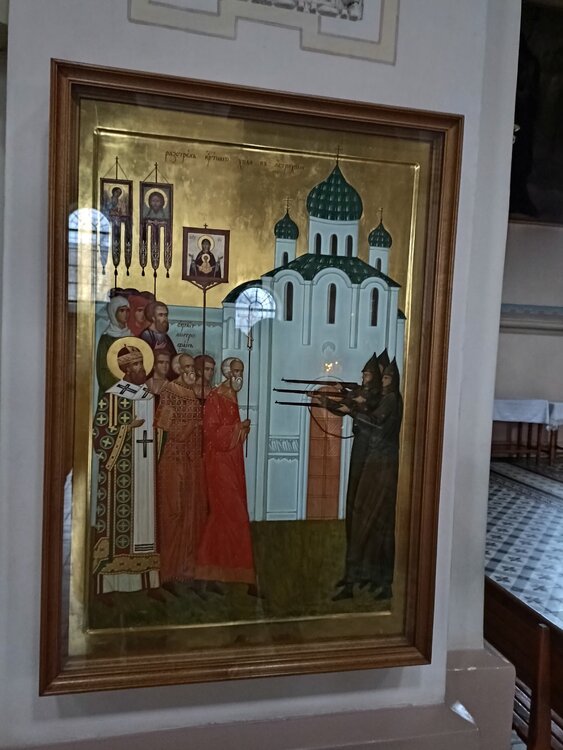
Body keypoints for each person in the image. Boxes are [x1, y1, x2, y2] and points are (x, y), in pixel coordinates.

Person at [328, 355, 402, 601]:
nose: (381, 380)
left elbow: (376, 423)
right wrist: (339, 400)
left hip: (382, 466)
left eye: (385, 377)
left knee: (377, 524)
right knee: (363, 520)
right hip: (373, 463)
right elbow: (363, 409)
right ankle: (363, 576)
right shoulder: (382, 397)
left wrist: (353, 408)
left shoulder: (391, 399)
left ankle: (376, 580)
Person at [91, 341, 160, 598]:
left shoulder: (148, 397)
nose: (142, 368)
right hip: (120, 473)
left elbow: (156, 431)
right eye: (137, 364)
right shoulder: (111, 396)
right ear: (126, 369)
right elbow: (99, 435)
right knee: (119, 525)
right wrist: (126, 429)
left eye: (142, 363)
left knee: (146, 523)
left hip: (146, 470)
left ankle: (148, 582)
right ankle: (110, 585)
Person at [195, 357, 260, 595]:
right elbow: (212, 433)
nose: (238, 376)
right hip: (219, 465)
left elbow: (230, 433)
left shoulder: (231, 395)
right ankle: (246, 580)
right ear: (226, 373)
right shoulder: (216, 397)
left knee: (224, 518)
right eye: (235, 371)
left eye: (241, 371)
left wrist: (241, 430)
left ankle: (210, 575)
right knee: (234, 516)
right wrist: (238, 428)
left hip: (232, 464)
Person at [154, 354, 208, 595]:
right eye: (186, 367)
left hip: (191, 462)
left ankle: (187, 570)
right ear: (178, 369)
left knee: (192, 513)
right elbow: (165, 426)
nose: (191, 372)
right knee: (173, 514)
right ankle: (168, 572)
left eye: (192, 368)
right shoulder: (169, 391)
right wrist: (191, 426)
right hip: (173, 461)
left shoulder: (193, 394)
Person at [95, 295, 131, 394]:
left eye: (127, 310)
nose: (126, 314)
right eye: (122, 310)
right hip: (111, 390)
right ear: (113, 312)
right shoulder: (106, 339)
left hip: (130, 389)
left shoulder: (131, 336)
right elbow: (102, 369)